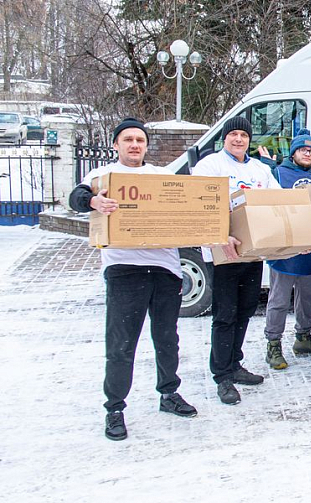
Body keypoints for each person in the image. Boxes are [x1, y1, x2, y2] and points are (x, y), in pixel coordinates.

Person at [68, 118, 197, 440]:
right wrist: (93, 201)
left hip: (166, 269)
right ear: (116, 144)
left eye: (140, 140)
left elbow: (190, 206)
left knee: (167, 339)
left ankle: (169, 393)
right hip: (124, 270)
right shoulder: (103, 177)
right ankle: (115, 408)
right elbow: (76, 197)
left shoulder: (162, 176)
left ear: (146, 145)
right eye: (128, 139)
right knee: (122, 343)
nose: (135, 145)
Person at [193, 116, 282, 405]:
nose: (239, 139)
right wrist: (220, 234)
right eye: (234, 134)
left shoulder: (260, 169)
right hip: (222, 253)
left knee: (245, 309)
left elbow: (276, 202)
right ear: (225, 137)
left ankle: (234, 363)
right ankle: (222, 375)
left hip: (252, 251)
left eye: (244, 135)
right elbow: (200, 204)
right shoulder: (210, 166)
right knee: (225, 314)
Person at [254, 129, 311, 370]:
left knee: (307, 298)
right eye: (302, 149)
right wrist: (268, 168)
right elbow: (267, 204)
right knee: (279, 299)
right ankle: (273, 343)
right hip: (286, 250)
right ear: (293, 152)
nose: (307, 153)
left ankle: (303, 338)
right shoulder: (279, 173)